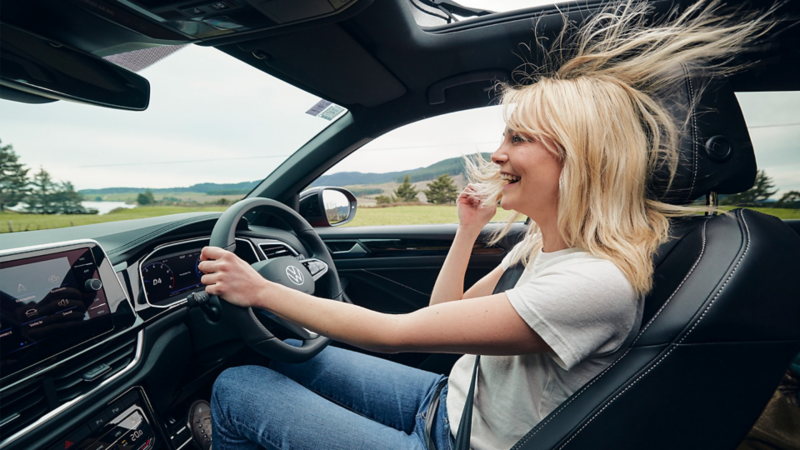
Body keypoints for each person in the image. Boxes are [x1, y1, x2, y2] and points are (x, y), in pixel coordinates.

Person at [199, 1, 772, 449]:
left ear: (581, 159)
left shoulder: (593, 283)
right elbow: (436, 319)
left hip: (459, 441)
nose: (497, 155)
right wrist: (469, 230)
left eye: (518, 138)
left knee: (237, 388)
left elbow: (394, 334)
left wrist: (261, 289)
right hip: (449, 400)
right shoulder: (541, 246)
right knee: (291, 352)